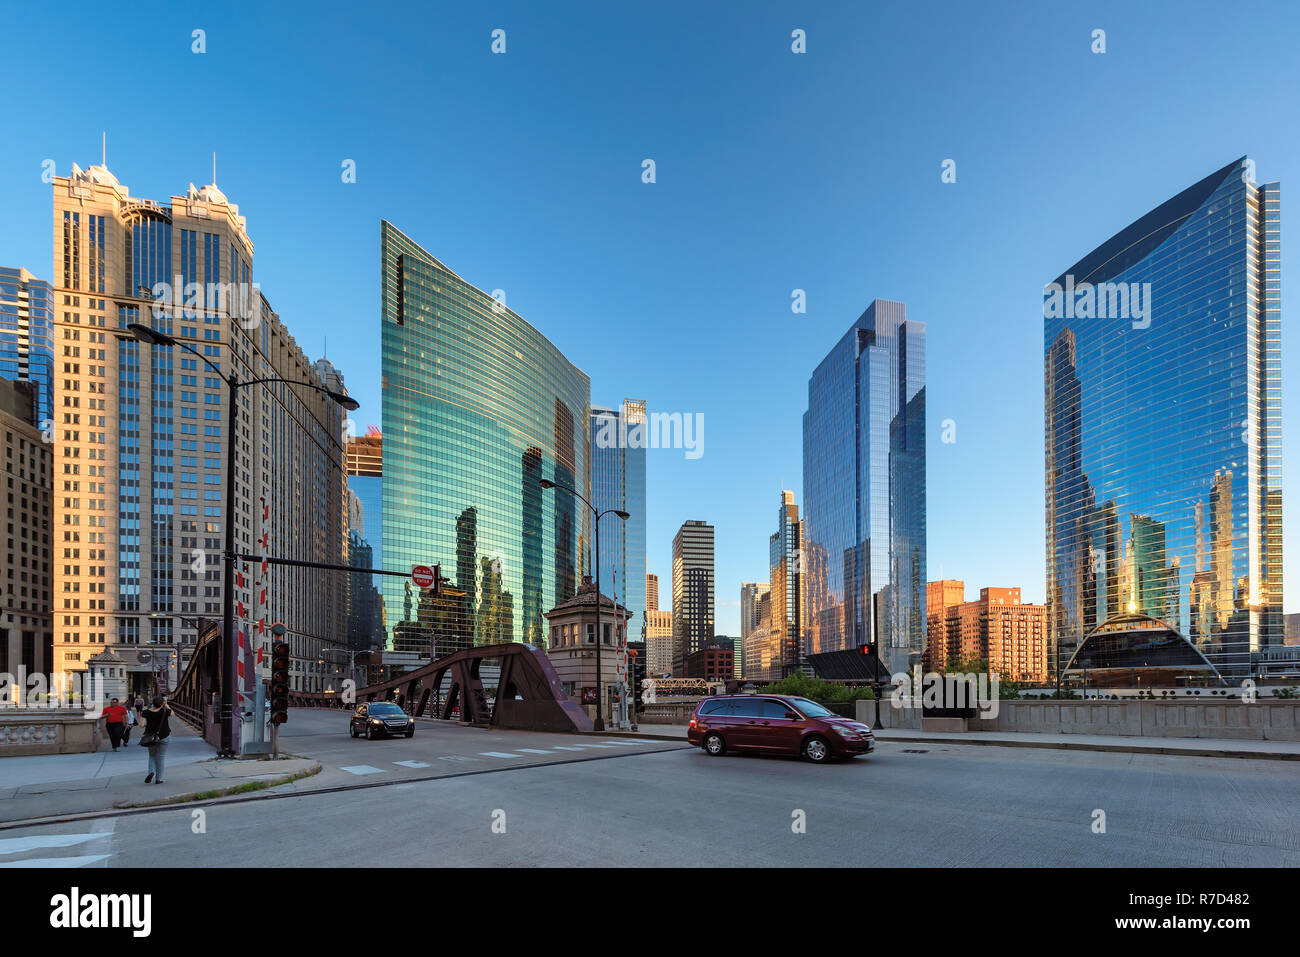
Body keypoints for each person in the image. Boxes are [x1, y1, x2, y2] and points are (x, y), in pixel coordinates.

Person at [141, 696, 173, 784]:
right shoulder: (165, 711)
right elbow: (173, 713)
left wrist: (148, 724)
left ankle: (151, 771)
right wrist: (166, 705)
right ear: (162, 703)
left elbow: (141, 724)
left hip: (151, 737)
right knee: (161, 757)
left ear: (153, 703)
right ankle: (159, 779)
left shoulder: (146, 712)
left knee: (152, 756)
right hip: (164, 736)